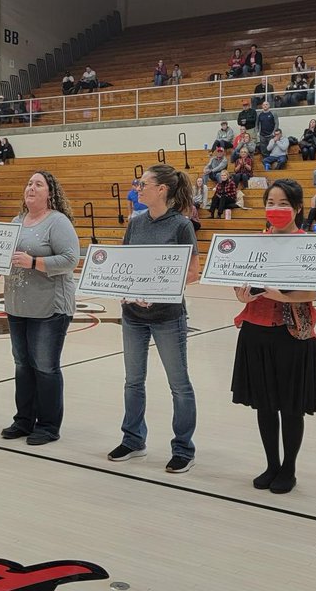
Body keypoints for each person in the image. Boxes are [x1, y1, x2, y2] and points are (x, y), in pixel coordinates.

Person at [232, 178, 316, 493]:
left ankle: (289, 468)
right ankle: (272, 463)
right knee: (264, 404)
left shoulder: (310, 245)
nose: (276, 209)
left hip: (292, 336)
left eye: (283, 203)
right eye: (271, 203)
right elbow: (240, 284)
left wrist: (283, 296)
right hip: (255, 333)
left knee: (290, 406)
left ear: (298, 208)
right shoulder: (255, 244)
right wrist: (243, 296)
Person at [107, 164, 201, 474]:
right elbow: (125, 263)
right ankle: (133, 439)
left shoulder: (181, 226)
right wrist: (123, 287)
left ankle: (183, 448)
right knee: (133, 381)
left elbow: (192, 272)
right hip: (133, 315)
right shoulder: (135, 223)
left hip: (167, 316)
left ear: (161, 189)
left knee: (179, 384)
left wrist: (159, 291)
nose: (137, 188)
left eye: (143, 183)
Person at [1, 172, 79, 445]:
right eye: (29, 183)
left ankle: (47, 426)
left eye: (38, 184)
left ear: (50, 193)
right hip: (17, 305)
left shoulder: (57, 222)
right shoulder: (15, 222)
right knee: (23, 365)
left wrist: (34, 262)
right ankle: (24, 420)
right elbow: (5, 256)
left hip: (49, 308)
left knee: (45, 367)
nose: (31, 188)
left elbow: (71, 259)